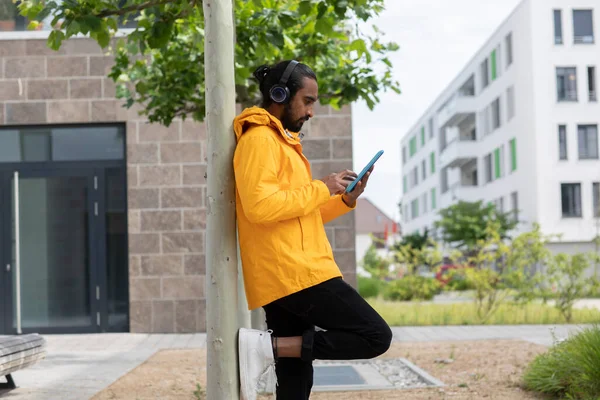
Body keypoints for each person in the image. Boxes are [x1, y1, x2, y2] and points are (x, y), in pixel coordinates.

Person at [233, 60, 392, 400]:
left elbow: (298, 214)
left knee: (295, 379)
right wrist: (323, 186)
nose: (310, 112)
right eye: (307, 101)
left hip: (289, 271)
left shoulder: (281, 142)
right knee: (375, 335)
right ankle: (265, 347)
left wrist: (344, 200)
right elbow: (260, 207)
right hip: (294, 272)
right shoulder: (260, 139)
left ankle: (270, 348)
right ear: (280, 95)